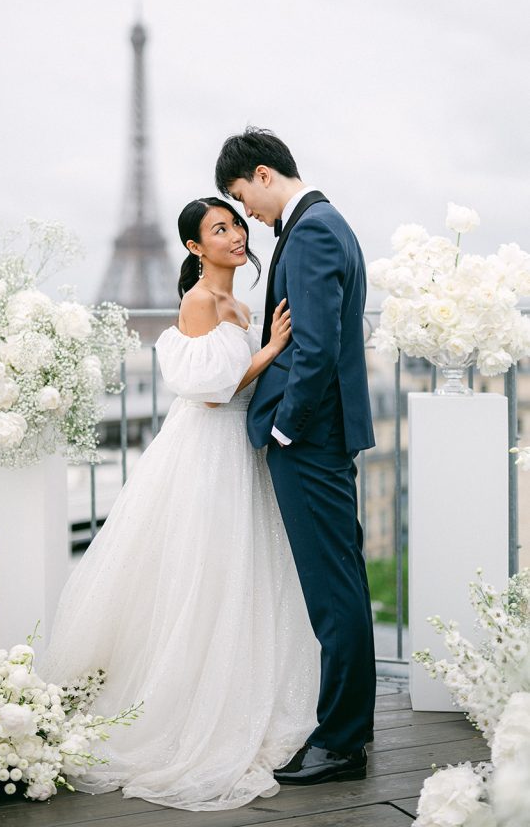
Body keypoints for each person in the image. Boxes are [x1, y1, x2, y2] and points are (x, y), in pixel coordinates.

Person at [39, 196, 320, 811]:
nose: (235, 235)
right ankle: (192, 704)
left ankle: (232, 691)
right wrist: (269, 350)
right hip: (208, 451)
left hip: (238, 454)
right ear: (195, 247)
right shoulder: (200, 302)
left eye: (236, 224)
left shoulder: (237, 304)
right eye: (219, 229)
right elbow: (212, 394)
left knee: (236, 575)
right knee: (207, 572)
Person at [215, 127, 376, 786]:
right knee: (341, 584)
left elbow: (312, 349)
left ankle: (339, 742)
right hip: (326, 436)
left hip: (308, 440)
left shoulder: (308, 231)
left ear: (261, 174)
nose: (245, 213)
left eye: (239, 196)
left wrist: (283, 430)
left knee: (332, 592)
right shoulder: (327, 220)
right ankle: (345, 733)